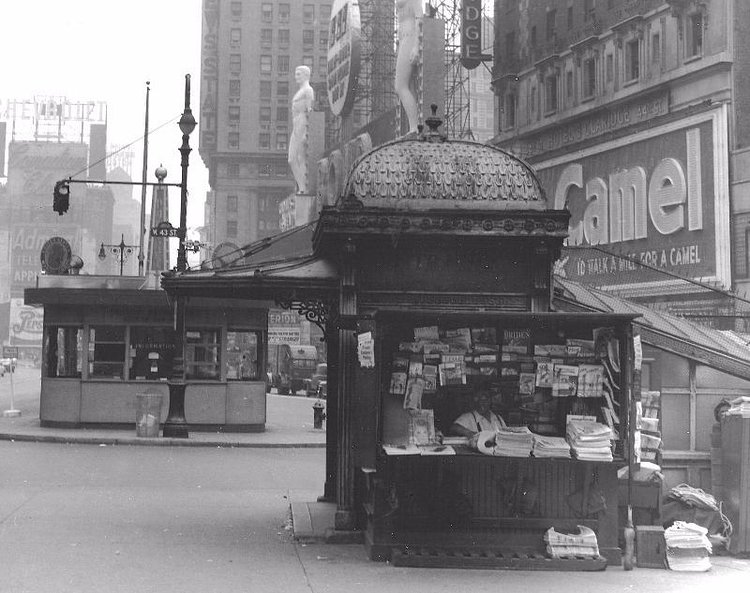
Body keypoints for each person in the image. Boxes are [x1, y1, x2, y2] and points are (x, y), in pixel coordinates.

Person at [395, 0, 423, 135]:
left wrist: (416, 46)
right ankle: (414, 126)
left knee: (400, 86)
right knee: (409, 86)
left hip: (410, 37)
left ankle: (414, 126)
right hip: (403, 38)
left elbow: (419, 18)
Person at [288, 65, 315, 194]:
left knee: (301, 157)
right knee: (291, 159)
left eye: (298, 74)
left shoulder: (308, 90)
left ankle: (304, 188)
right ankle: (302, 185)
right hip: (296, 125)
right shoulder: (300, 91)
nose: (296, 77)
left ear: (305, 75)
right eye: (296, 74)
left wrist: (307, 132)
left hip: (303, 123)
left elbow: (310, 111)